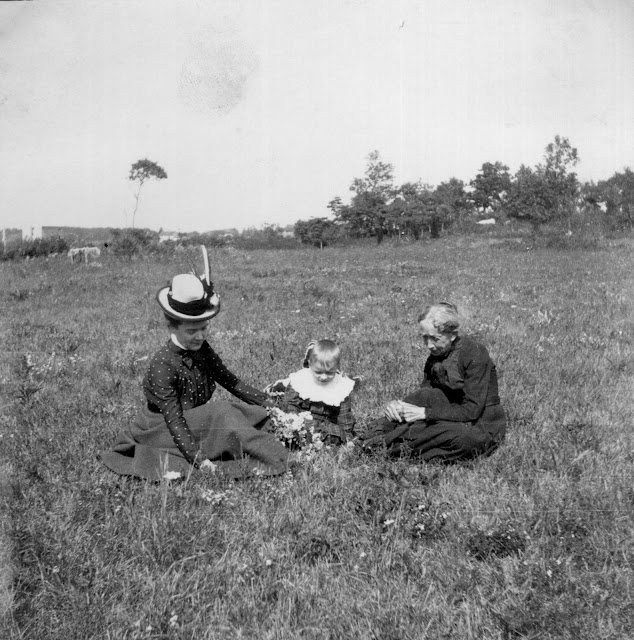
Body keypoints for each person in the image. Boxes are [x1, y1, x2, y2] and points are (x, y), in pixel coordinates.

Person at [99, 249, 289, 480]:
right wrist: (200, 460)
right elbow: (174, 420)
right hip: (160, 429)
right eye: (191, 331)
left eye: (204, 328)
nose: (200, 336)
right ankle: (279, 458)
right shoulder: (162, 365)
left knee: (251, 414)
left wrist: (273, 405)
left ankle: (282, 438)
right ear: (171, 327)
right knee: (223, 413)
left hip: (194, 419)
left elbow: (231, 382)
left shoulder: (202, 349)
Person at [359, 302, 506, 462]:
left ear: (452, 334)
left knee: (461, 438)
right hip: (448, 414)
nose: (429, 345)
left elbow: (472, 410)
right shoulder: (436, 355)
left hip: (479, 423)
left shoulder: (474, 353)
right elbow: (425, 395)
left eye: (435, 338)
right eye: (425, 337)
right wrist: (398, 405)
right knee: (425, 405)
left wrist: (424, 414)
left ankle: (381, 447)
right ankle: (368, 438)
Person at [268, 340, 356, 445]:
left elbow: (344, 418)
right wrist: (295, 420)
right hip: (303, 421)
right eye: (318, 372)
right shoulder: (301, 380)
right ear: (310, 364)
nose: (323, 377)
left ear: (337, 367)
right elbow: (290, 404)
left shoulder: (341, 387)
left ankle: (321, 442)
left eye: (329, 373)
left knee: (336, 434)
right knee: (284, 425)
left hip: (326, 426)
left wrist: (347, 438)